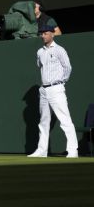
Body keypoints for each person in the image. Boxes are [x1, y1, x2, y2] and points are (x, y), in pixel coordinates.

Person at [28, 26, 77, 158]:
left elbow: (68, 67)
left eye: (45, 33)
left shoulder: (60, 50)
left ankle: (73, 151)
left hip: (56, 89)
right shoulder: (39, 52)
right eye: (41, 34)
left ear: (52, 34)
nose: (43, 36)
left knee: (65, 120)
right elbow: (40, 66)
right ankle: (41, 151)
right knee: (43, 122)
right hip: (44, 90)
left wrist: (60, 82)